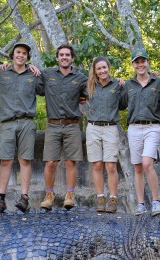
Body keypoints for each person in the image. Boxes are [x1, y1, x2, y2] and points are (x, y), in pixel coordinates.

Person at [0, 42, 43, 214]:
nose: (21, 55)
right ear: (12, 54)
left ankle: (24, 197)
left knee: (25, 160)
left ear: (27, 57)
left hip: (27, 122)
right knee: (5, 160)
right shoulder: (2, 73)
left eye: (24, 53)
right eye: (18, 52)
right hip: (7, 122)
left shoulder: (33, 75)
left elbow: (48, 89)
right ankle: (0, 198)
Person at [120, 48, 160, 216]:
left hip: (152, 127)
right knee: (138, 167)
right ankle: (140, 204)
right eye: (137, 61)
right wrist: (117, 84)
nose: (140, 64)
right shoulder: (128, 85)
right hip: (133, 128)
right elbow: (120, 105)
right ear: (133, 64)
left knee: (147, 163)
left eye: (143, 61)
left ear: (148, 63)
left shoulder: (158, 83)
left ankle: (156, 201)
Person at [39, 44, 88, 210]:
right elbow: (31, 79)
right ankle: (49, 195)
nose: (64, 57)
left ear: (72, 58)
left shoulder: (81, 78)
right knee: (50, 162)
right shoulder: (47, 74)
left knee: (70, 162)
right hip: (53, 125)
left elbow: (94, 90)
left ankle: (70, 195)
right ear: (57, 57)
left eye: (68, 55)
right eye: (61, 55)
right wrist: (30, 66)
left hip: (72, 125)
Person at [85, 57, 124, 213]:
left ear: (109, 67)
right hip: (93, 127)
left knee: (111, 166)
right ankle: (100, 198)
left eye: (104, 68)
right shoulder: (88, 86)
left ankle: (113, 199)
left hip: (110, 127)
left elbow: (124, 103)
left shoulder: (118, 84)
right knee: (96, 165)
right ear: (95, 71)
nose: (102, 71)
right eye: (98, 69)